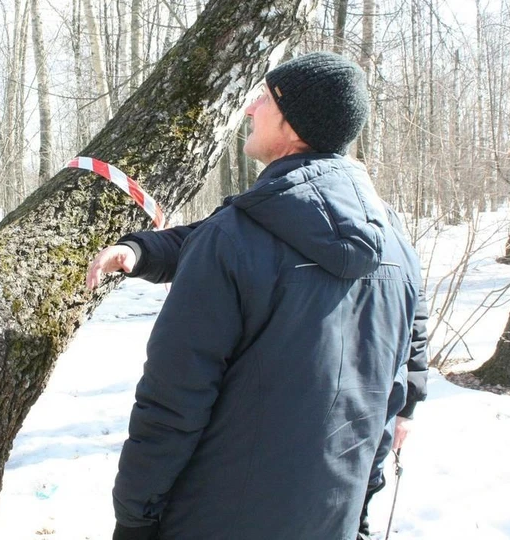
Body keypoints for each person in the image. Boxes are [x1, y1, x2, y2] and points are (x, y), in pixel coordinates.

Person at [87, 51, 425, 540]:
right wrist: (142, 249)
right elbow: (403, 372)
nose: (250, 108)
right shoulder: (394, 240)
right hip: (333, 515)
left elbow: (173, 400)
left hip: (216, 518)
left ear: (293, 125)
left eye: (264, 98)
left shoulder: (237, 236)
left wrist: (135, 516)